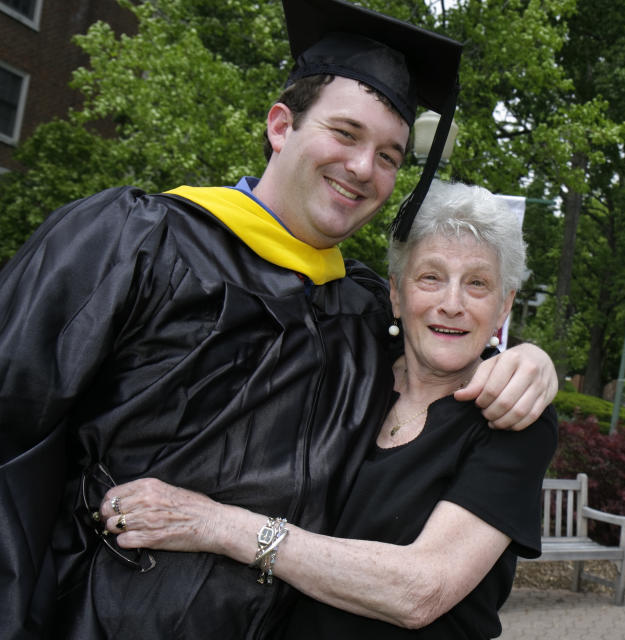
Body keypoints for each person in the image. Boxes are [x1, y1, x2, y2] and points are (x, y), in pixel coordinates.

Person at [0, 1, 557, 638]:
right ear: (280, 126)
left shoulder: (360, 309)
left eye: (388, 156)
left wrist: (533, 362)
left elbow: (447, 337)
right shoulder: (131, 243)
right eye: (345, 134)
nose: (361, 168)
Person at [95, 180, 557, 638]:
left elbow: (421, 591)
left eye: (477, 284)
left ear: (503, 307)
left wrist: (213, 524)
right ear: (395, 293)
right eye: (431, 277)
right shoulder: (348, 363)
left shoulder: (510, 418)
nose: (451, 304)